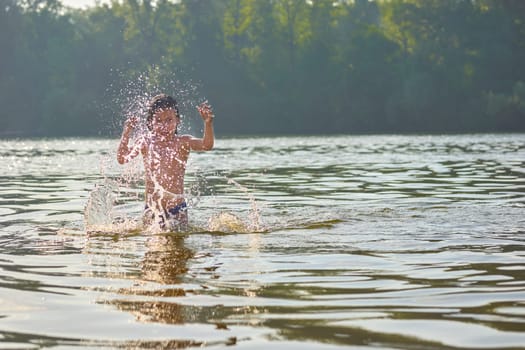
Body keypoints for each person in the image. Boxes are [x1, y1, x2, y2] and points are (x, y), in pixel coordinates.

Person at [117, 93, 215, 231]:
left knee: (178, 246)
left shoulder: (182, 142)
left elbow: (206, 145)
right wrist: (126, 133)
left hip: (177, 209)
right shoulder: (145, 142)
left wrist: (208, 123)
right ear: (151, 122)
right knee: (152, 248)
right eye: (158, 121)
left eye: (169, 120)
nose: (164, 125)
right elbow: (122, 158)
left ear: (178, 121)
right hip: (151, 209)